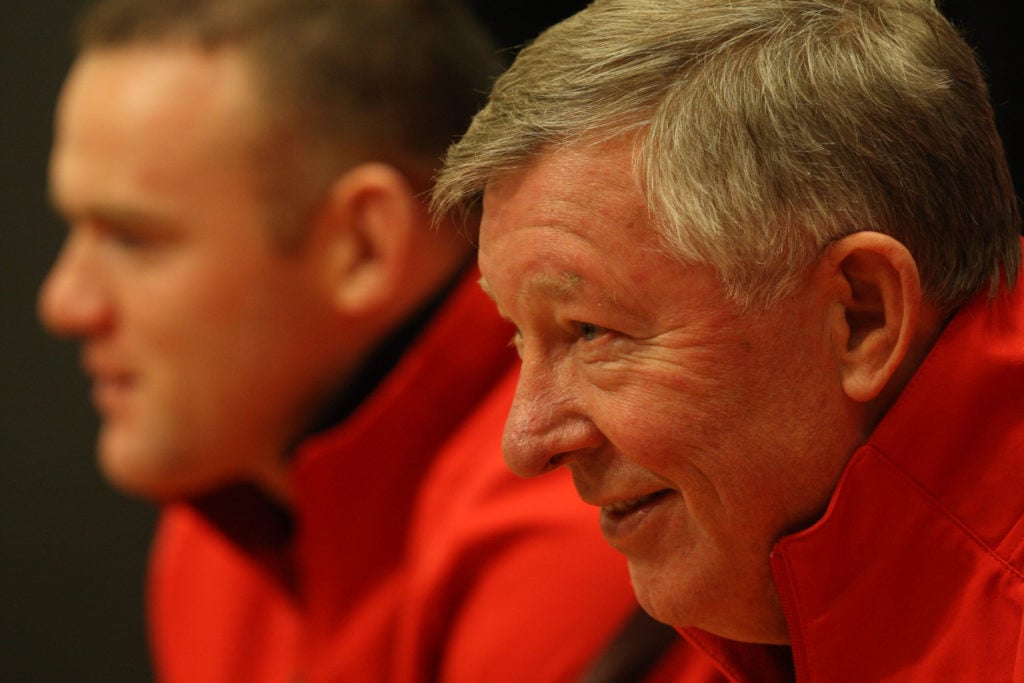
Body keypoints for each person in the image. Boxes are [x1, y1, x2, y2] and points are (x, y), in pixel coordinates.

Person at [37, 0, 667, 680]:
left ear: (363, 246)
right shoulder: (218, 522)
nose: (64, 302)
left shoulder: (588, 519)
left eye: (133, 239)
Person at [432, 0, 1024, 679]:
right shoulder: (762, 591)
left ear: (861, 315)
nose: (524, 441)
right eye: (518, 336)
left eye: (591, 331)